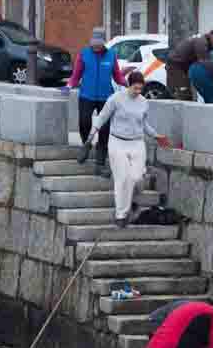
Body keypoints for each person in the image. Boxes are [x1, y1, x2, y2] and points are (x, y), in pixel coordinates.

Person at [88, 71, 171, 227]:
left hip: (137, 143)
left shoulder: (143, 102)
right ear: (129, 85)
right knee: (122, 178)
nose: (138, 92)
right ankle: (121, 214)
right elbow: (102, 117)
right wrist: (90, 137)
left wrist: (156, 135)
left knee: (137, 178)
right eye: (135, 88)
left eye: (140, 89)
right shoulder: (116, 99)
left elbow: (144, 123)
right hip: (117, 142)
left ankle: (130, 196)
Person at [67, 27, 126, 177]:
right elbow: (76, 75)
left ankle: (100, 163)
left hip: (106, 98)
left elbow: (117, 76)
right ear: (91, 42)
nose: (96, 46)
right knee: (84, 122)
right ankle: (86, 145)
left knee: (105, 130)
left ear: (103, 42)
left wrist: (127, 84)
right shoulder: (84, 54)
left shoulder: (111, 55)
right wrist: (69, 86)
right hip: (86, 95)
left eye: (98, 44)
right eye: (94, 43)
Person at [166, 27, 213, 98]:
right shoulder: (202, 43)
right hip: (176, 66)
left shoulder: (206, 42)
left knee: (185, 93)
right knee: (183, 94)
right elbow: (205, 64)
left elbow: (209, 61)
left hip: (183, 67)